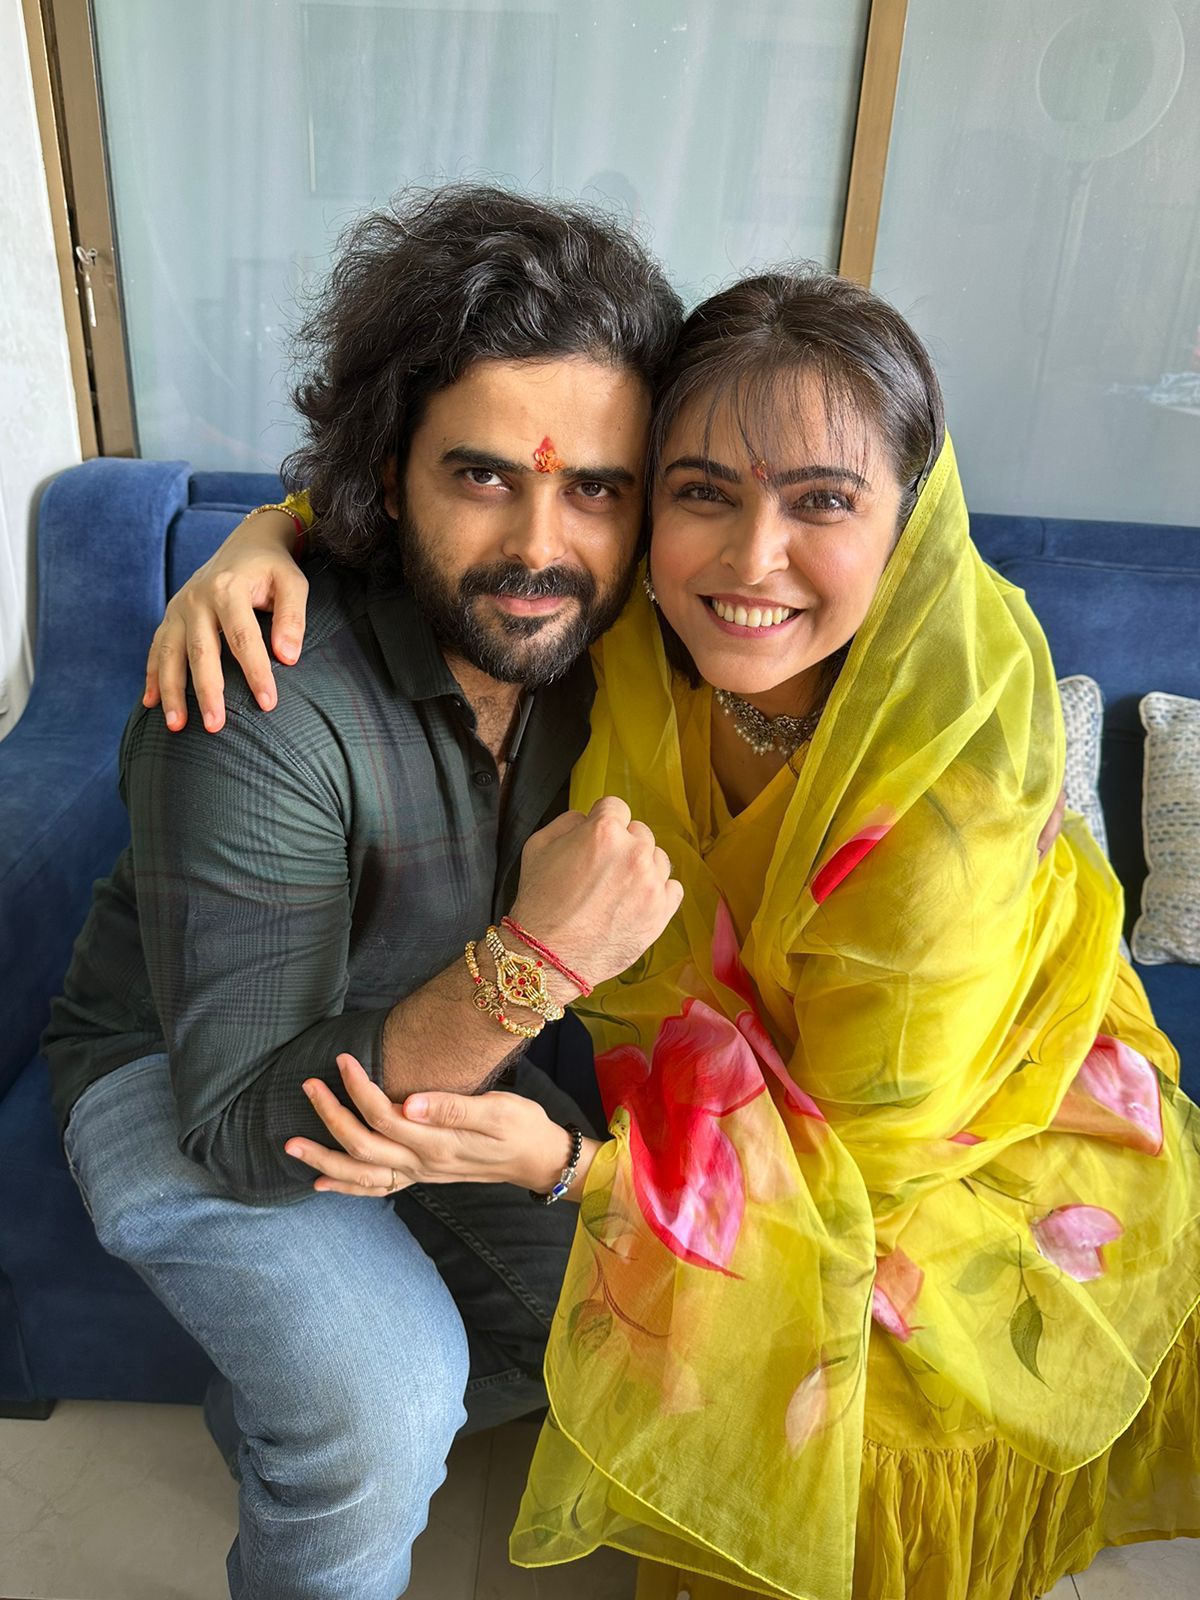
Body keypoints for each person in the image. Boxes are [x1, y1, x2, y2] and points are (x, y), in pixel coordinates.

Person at [168, 267, 1200, 1600]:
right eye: (703, 492)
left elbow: (849, 1203)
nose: (749, 562)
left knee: (843, 1417)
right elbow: (469, 486)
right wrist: (267, 536)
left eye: (822, 502)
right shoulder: (648, 628)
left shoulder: (943, 830)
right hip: (738, 1096)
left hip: (938, 1173)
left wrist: (568, 1171)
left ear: (909, 523)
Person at [42, 185, 687, 1600]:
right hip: (184, 1070)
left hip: (421, 1036)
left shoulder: (621, 645)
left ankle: (276, 1425)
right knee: (386, 1396)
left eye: (596, 488)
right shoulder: (259, 691)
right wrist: (532, 967)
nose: (541, 545)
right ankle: (325, 1434)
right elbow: (240, 1127)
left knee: (639, 1304)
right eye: (483, 477)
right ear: (390, 477)